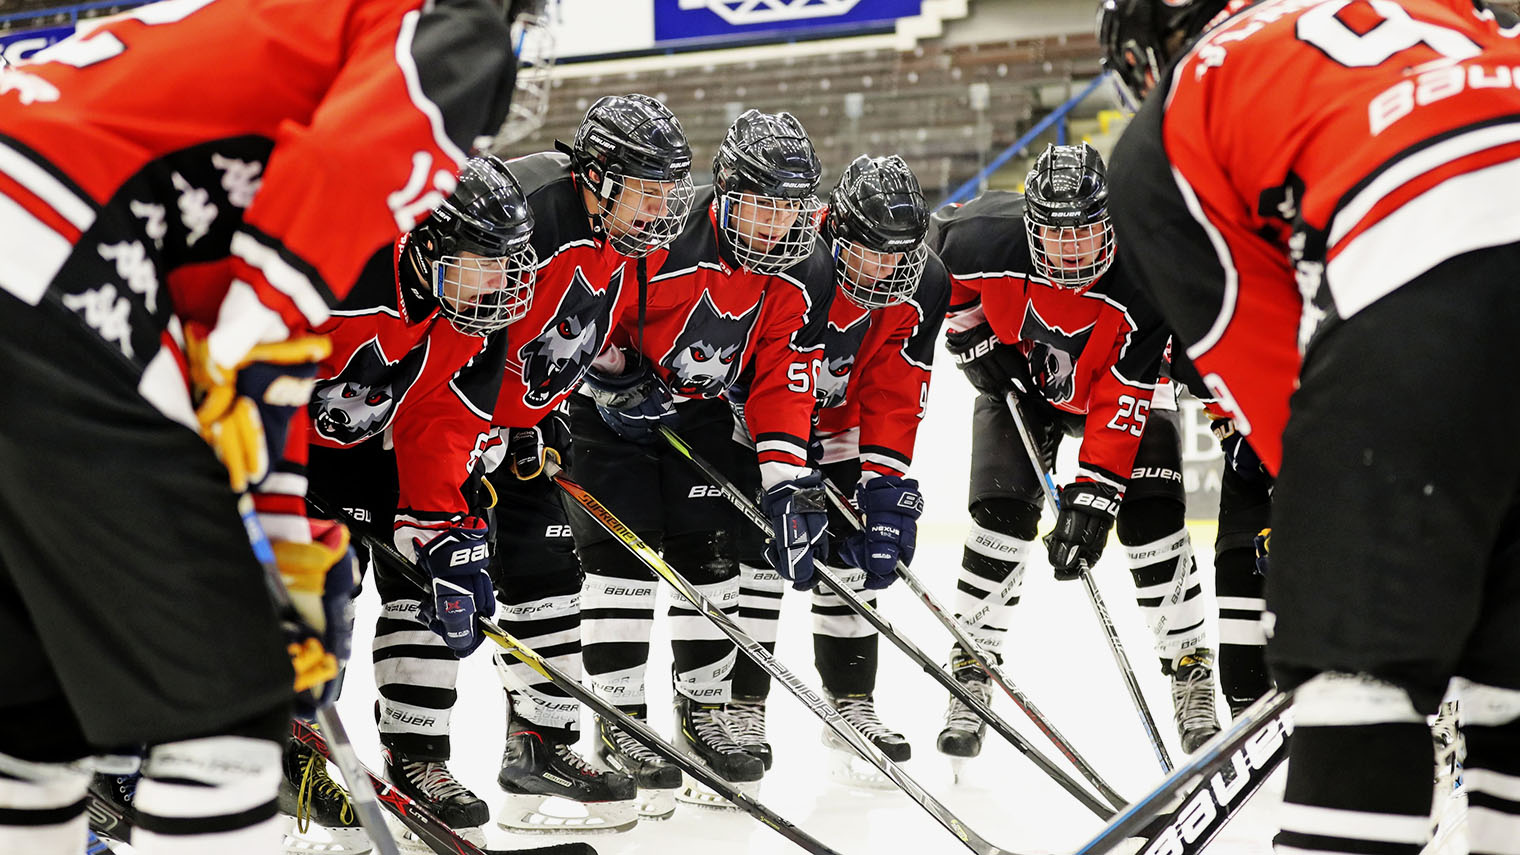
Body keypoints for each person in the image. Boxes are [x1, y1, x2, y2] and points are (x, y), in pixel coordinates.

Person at [0, 0, 522, 852]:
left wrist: (283, 529)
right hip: (56, 258)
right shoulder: (446, 20)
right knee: (229, 708)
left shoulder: (261, 37)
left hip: (48, 257)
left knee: (35, 720)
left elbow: (228, 333)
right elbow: (321, 205)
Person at [1102, 1, 1520, 853]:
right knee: (1508, 671)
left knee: (1359, 688)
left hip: (1423, 290)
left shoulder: (1178, 111)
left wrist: (1349, 548)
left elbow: (1272, 377)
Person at [573, 109, 835, 808]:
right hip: (612, 410)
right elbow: (597, 304)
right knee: (622, 557)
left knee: (712, 554)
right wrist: (611, 375)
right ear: (725, 193)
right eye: (762, 206)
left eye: (792, 207)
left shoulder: (801, 269)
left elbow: (783, 375)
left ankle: (704, 710)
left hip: (704, 411)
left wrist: (785, 477)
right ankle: (622, 717)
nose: (778, 225)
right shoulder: (663, 233)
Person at [928, 142, 1221, 761]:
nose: (1071, 252)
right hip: (1022, 386)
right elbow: (935, 263)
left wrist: (1095, 499)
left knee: (1152, 515)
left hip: (1117, 383)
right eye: (1055, 237)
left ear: (1109, 223)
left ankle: (1191, 669)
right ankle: (972, 665)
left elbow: (1124, 394)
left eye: (1085, 234)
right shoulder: (983, 239)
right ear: (1029, 227)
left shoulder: (1141, 272)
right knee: (1000, 511)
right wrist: (972, 336)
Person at [302, 153, 539, 846]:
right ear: (426, 246)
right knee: (317, 590)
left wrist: (437, 525)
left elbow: (439, 419)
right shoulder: (339, 272)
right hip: (276, 450)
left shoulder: (469, 308)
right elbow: (251, 378)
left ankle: (418, 759)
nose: (500, 282)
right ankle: (295, 753)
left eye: (507, 262)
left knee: (442, 571)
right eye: (483, 262)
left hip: (374, 454)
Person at [481, 92, 695, 829]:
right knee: (434, 596)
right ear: (598, 177)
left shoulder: (618, 236)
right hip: (450, 429)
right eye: (648, 190)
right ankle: (409, 760)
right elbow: (471, 323)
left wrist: (588, 386)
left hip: (518, 431)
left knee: (546, 579)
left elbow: (569, 328)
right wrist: (487, 420)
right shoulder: (534, 209)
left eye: (669, 192)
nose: (661, 208)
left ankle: (536, 753)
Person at [726, 154, 948, 784]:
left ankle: (851, 705)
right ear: (833, 228)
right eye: (869, 251)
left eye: (898, 255)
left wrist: (886, 483)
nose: (884, 270)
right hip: (760, 426)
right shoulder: (796, 256)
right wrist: (783, 465)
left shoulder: (926, 283)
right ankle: (742, 705)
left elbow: (897, 386)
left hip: (844, 427)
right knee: (765, 561)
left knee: (857, 564)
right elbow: (765, 361)